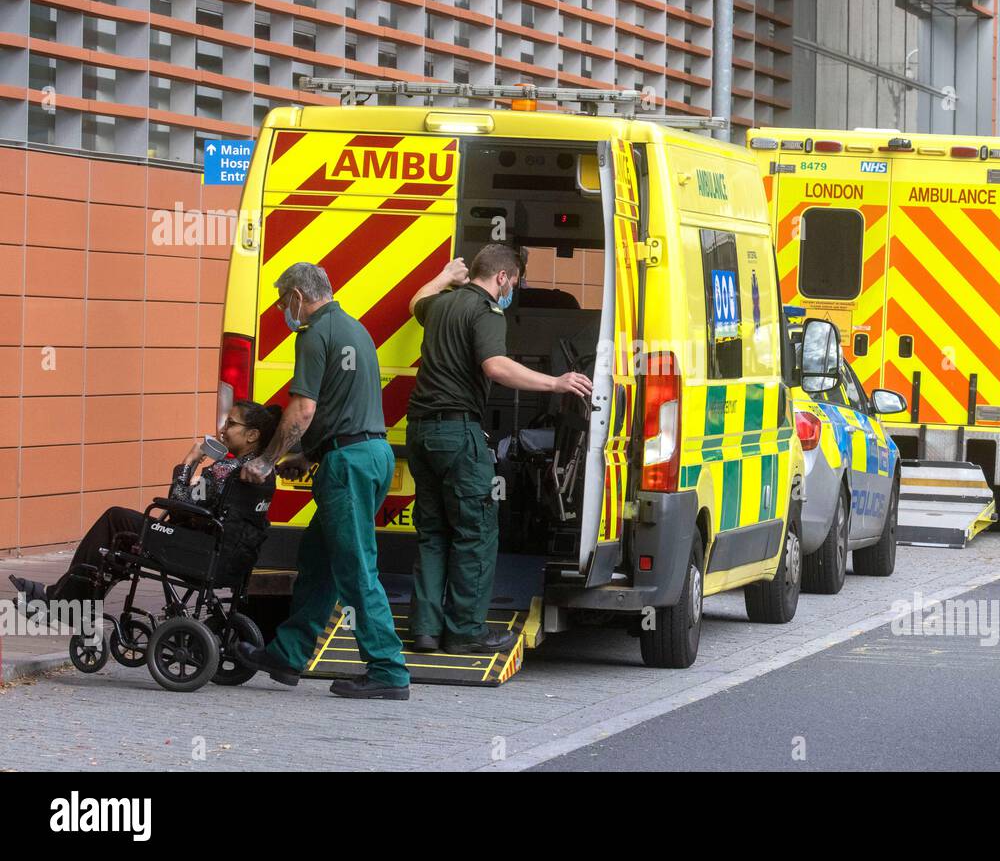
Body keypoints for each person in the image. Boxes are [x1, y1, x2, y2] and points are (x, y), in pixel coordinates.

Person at [235, 259, 464, 700]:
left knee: (357, 569)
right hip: (367, 455)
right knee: (319, 563)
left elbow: (302, 409)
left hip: (348, 466)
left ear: (298, 298)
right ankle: (288, 653)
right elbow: (344, 409)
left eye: (286, 303)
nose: (287, 312)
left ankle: (388, 670)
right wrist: (308, 454)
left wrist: (265, 460)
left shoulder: (315, 334)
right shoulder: (356, 330)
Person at [405, 244, 592, 654]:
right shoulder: (487, 311)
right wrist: (557, 382)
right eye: (516, 280)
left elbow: (415, 301)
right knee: (476, 533)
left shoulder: (442, 305)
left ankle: (425, 630)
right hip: (458, 435)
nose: (515, 289)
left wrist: (444, 276)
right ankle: (466, 632)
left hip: (420, 433)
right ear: (502, 278)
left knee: (434, 533)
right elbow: (496, 366)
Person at [8, 400, 282, 607]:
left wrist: (188, 463)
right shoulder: (264, 473)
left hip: (198, 552)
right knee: (127, 537)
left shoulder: (226, 469)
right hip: (232, 559)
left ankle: (63, 599)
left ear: (252, 435)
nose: (223, 429)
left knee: (117, 519)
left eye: (231, 424)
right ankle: (74, 599)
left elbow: (178, 504)